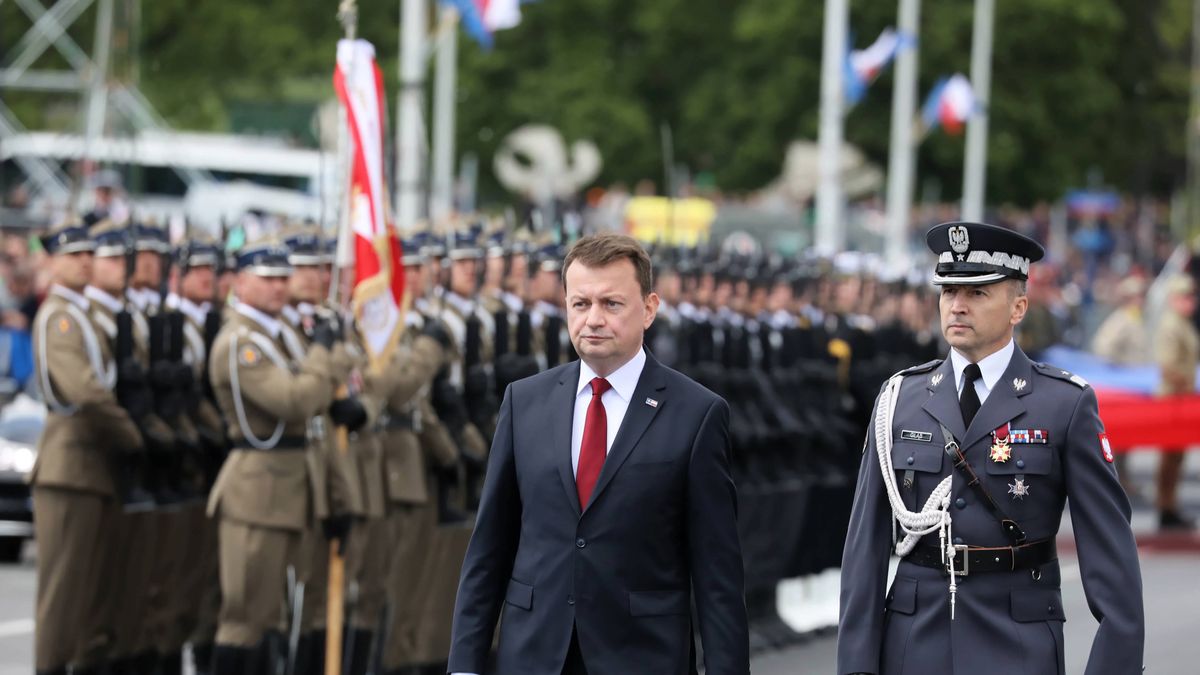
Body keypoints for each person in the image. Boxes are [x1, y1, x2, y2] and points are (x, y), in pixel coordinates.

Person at [838, 221, 1145, 675]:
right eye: (948, 292)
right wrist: (857, 666)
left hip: (1016, 642)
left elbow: (1110, 557)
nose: (957, 306)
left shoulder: (1063, 404)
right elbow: (863, 552)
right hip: (913, 643)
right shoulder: (899, 400)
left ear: (1018, 306)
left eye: (978, 293)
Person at [447, 233, 750, 675]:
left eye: (611, 304)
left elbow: (717, 574)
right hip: (534, 656)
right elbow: (489, 549)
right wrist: (464, 666)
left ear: (648, 309)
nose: (593, 320)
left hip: (642, 657)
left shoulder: (696, 414)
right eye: (580, 304)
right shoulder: (524, 402)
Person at [30, 220, 145, 675]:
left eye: (87, 254)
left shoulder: (81, 315)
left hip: (90, 465)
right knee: (63, 598)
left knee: (88, 594)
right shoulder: (60, 317)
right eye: (72, 254)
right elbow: (85, 390)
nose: (83, 261)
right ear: (53, 263)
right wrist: (131, 434)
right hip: (69, 465)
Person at [1152, 275, 1198, 530]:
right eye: (1184, 297)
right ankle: (1165, 507)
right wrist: (1186, 384)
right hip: (1173, 398)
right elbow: (1167, 366)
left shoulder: (1183, 323)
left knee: (1177, 456)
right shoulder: (1171, 325)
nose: (1189, 301)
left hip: (1182, 397)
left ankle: (1170, 506)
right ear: (1173, 299)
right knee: (1170, 456)